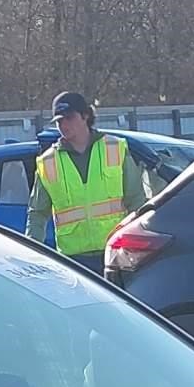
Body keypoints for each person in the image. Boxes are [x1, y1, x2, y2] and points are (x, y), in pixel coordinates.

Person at [26, 91, 147, 272]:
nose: (63, 125)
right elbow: (37, 213)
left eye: (69, 118)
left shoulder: (114, 148)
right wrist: (31, 256)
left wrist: (137, 248)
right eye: (59, 121)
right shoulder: (48, 162)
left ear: (85, 116)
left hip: (114, 254)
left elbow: (136, 201)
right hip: (73, 260)